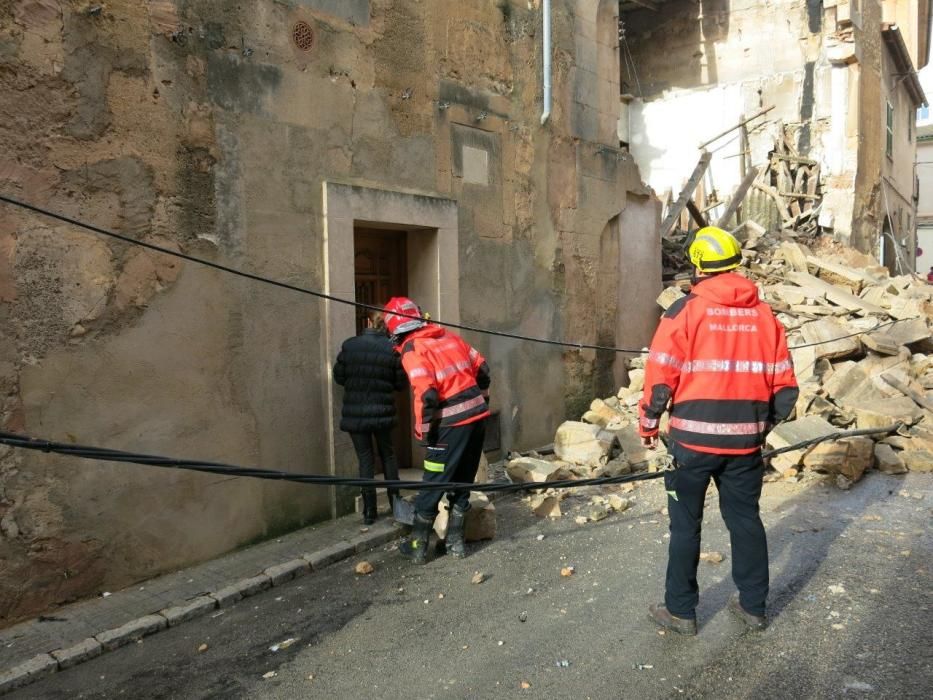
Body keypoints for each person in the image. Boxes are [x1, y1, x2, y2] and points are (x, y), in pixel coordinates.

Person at [638, 226, 799, 635]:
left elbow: (660, 379)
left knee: (685, 526)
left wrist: (648, 423)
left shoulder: (684, 311)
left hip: (691, 445)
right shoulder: (765, 316)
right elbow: (785, 389)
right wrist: (759, 429)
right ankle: (753, 607)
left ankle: (681, 612)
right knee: (746, 520)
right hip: (745, 444)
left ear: (698, 265)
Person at [383, 296, 491, 563]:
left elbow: (427, 395)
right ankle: (455, 544)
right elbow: (483, 369)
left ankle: (418, 546)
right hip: (477, 421)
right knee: (463, 481)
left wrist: (424, 432)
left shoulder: (412, 349)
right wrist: (481, 402)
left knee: (433, 482)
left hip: (448, 428)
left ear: (395, 332)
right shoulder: (451, 338)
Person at [333, 309, 408, 525]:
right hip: (382, 413)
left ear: (367, 322)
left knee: (365, 459)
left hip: (356, 414)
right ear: (387, 327)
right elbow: (400, 383)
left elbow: (339, 376)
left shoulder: (350, 345)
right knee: (388, 456)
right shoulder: (392, 350)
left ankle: (369, 512)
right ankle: (396, 504)